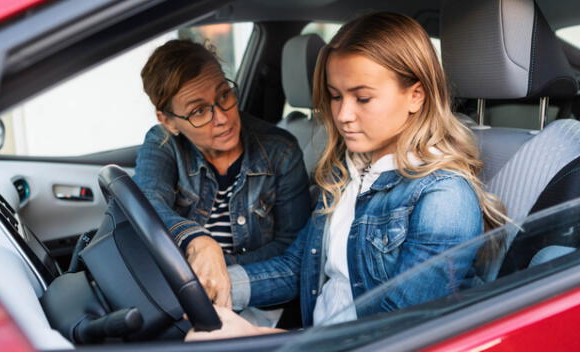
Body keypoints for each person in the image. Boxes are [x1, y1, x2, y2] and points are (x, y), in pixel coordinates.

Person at [186, 12, 506, 340]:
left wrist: (257, 335)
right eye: (336, 96)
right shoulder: (347, 171)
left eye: (362, 98)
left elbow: (399, 332)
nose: (342, 115)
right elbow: (298, 267)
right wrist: (210, 286)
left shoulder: (443, 197)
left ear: (416, 96)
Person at [135, 39, 311, 308]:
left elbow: (292, 246)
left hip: (256, 297)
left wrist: (217, 267)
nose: (223, 118)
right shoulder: (163, 143)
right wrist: (199, 242)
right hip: (177, 292)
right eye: (199, 111)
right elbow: (147, 202)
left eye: (224, 96)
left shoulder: (281, 150)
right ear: (169, 122)